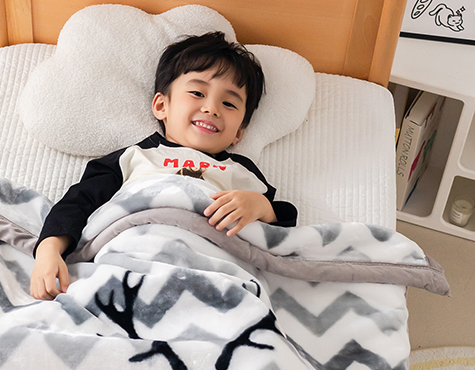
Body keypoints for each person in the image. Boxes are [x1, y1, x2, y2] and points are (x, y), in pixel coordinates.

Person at [30, 31, 298, 300]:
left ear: (239, 132)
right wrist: (48, 251)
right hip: (130, 257)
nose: (212, 108)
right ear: (161, 105)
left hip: (214, 270)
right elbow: (78, 203)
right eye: (197, 93)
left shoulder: (241, 173)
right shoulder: (134, 157)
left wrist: (261, 207)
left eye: (228, 103)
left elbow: (280, 237)